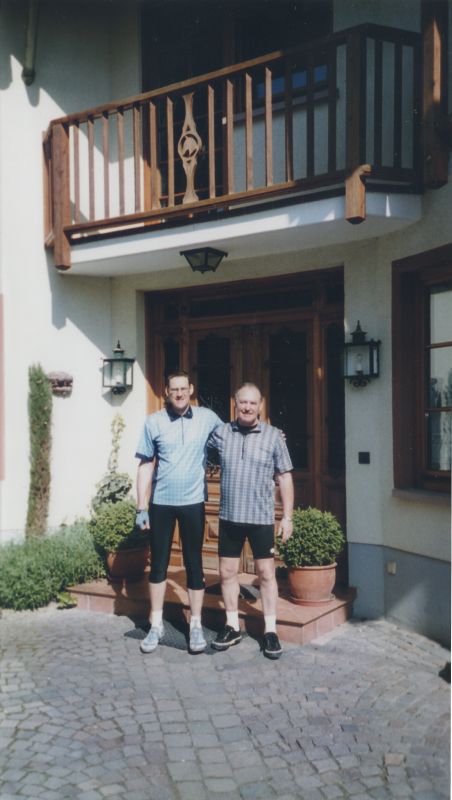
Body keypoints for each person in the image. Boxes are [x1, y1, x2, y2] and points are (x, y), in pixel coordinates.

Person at [135, 370, 222, 655]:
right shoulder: (154, 422)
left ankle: (195, 624)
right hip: (161, 504)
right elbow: (146, 465)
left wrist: (271, 433)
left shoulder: (207, 417)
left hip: (193, 502)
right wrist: (140, 506)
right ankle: (156, 624)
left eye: (184, 388)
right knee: (158, 565)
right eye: (174, 389)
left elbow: (232, 438)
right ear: (166, 393)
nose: (180, 393)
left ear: (191, 389)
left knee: (194, 564)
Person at [208, 382, 294, 659]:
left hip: (261, 518)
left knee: (267, 575)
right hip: (230, 517)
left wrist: (288, 517)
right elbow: (198, 445)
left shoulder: (273, 437)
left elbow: (285, 477)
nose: (247, 407)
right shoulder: (221, 434)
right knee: (227, 573)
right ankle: (232, 626)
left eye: (252, 403)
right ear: (235, 404)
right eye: (242, 402)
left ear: (260, 406)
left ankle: (270, 630)